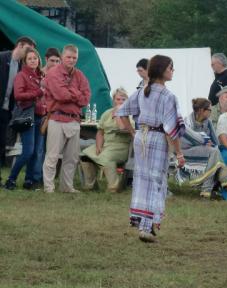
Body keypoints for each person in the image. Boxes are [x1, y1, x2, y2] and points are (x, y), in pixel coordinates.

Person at [117, 55, 186, 243]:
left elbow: (122, 111)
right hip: (156, 139)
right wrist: (179, 152)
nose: (173, 71)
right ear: (161, 70)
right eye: (171, 67)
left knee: (143, 180)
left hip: (142, 137)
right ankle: (146, 227)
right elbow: (173, 130)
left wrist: (133, 133)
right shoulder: (167, 96)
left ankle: (143, 222)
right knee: (155, 181)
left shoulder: (142, 91)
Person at [42, 44, 91, 193]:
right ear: (62, 57)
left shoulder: (80, 75)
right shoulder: (54, 73)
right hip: (57, 118)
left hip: (74, 119)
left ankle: (67, 187)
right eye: (68, 57)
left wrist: (72, 93)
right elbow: (60, 96)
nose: (71, 60)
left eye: (74, 57)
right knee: (52, 156)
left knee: (72, 158)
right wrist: (77, 93)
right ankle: (48, 187)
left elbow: (86, 98)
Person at [4, 47, 46, 190]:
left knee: (35, 152)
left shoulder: (41, 76)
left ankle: (28, 181)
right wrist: (38, 92)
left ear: (38, 60)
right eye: (30, 58)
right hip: (27, 116)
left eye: (35, 58)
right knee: (28, 151)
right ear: (25, 61)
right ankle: (11, 179)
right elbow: (18, 96)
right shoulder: (21, 75)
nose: (33, 60)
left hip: (41, 115)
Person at [180, 97, 227, 198]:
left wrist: (208, 143)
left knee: (214, 153)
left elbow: (215, 141)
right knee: (214, 152)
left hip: (205, 151)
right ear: (201, 110)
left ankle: (206, 191)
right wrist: (204, 142)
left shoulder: (208, 122)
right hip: (187, 152)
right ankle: (226, 183)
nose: (211, 112)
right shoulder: (187, 122)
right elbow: (186, 142)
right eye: (209, 110)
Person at [80, 88, 133, 192]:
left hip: (121, 146)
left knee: (106, 157)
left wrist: (119, 114)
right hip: (106, 145)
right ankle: (91, 186)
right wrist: (99, 146)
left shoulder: (129, 114)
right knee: (85, 156)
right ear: (113, 100)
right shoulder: (107, 113)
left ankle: (114, 186)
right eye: (118, 99)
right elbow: (100, 132)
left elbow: (122, 128)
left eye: (123, 99)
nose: (121, 102)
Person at [0, 36, 36, 186]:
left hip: (7, 110)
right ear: (19, 45)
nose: (30, 53)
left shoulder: (22, 67)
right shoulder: (2, 58)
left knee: (1, 143)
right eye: (28, 49)